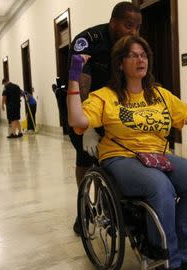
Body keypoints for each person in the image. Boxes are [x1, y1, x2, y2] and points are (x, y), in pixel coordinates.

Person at [67, 35, 187, 270]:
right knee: (160, 186)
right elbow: (78, 121)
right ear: (120, 64)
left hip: (158, 155)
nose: (139, 59)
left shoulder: (159, 95)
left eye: (143, 54)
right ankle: (168, 258)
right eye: (132, 55)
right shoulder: (105, 96)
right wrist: (73, 79)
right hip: (120, 157)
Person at [67, 1, 142, 234]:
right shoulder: (88, 41)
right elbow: (81, 84)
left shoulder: (131, 45)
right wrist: (88, 126)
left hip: (113, 107)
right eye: (129, 25)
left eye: (138, 27)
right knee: (85, 159)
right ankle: (84, 208)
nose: (134, 32)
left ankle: (105, 207)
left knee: (108, 161)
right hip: (83, 105)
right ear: (113, 23)